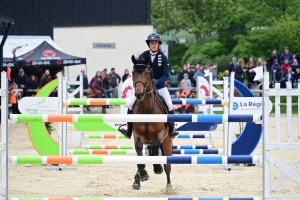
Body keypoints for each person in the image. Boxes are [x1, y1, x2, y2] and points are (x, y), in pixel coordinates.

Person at [118, 32, 178, 139]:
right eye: (151, 43)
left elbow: (166, 74)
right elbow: (138, 70)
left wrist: (157, 81)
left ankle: (171, 129)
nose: (154, 44)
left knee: (169, 105)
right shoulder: (143, 56)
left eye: (155, 43)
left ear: (158, 44)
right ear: (149, 44)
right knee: (131, 104)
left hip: (159, 86)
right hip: (144, 88)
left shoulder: (163, 57)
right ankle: (129, 130)